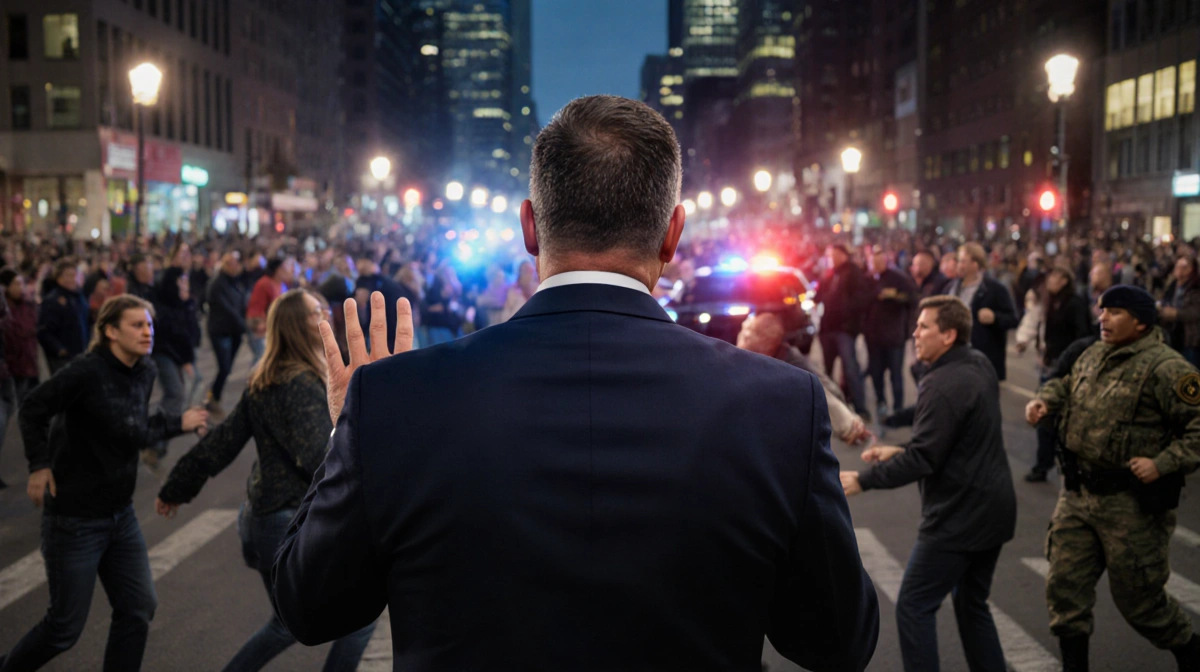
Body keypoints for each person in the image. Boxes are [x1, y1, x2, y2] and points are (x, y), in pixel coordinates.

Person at [272, 95, 879, 671]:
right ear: (674, 233)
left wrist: (348, 430)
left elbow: (311, 605)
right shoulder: (779, 405)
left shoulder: (395, 398)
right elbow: (838, 641)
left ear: (530, 227)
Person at [155, 289, 375, 672]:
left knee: (286, 625)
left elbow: (223, 442)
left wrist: (178, 486)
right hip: (286, 521)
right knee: (359, 617)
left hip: (260, 518)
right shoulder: (300, 385)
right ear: (294, 325)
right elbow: (320, 458)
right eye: (314, 311)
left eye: (323, 306)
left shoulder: (267, 378)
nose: (325, 312)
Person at [2, 295, 207, 672]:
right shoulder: (86, 372)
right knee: (64, 629)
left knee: (138, 607)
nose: (148, 332)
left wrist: (175, 424)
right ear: (111, 331)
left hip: (120, 515)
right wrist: (39, 465)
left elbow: (130, 430)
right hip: (75, 520)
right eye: (137, 325)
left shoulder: (144, 371)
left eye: (149, 324)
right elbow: (32, 408)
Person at [1026, 285, 1200, 671]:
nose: (1102, 318)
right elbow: (1065, 383)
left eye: (1114, 312)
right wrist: (1045, 400)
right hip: (1078, 494)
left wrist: (1164, 462)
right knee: (1065, 590)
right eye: (1102, 310)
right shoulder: (1093, 353)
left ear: (1140, 321)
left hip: (1131, 504)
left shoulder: (1168, 369)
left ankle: (1191, 651)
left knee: (1142, 604)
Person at [841, 296, 1016, 672]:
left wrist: (863, 479)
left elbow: (924, 459)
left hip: (959, 516)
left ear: (949, 334)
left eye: (924, 327)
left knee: (913, 605)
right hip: (994, 508)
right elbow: (951, 440)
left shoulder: (942, 382)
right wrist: (899, 449)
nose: (915, 333)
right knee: (972, 605)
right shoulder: (978, 363)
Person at [737, 312, 870, 445]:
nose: (744, 338)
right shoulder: (750, 352)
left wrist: (849, 424)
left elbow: (824, 389)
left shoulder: (788, 359)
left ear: (768, 343)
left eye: (748, 336)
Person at [1024, 268, 1092, 483]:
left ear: (1065, 280)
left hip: (1067, 368)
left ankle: (1069, 468)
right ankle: (1043, 465)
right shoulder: (1049, 301)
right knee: (1044, 414)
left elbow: (1082, 336)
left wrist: (1069, 361)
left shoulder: (1074, 303)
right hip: (1049, 364)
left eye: (1055, 277)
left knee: (1065, 420)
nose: (1050, 281)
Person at [143, 267, 201, 469]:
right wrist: (184, 359)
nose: (185, 286)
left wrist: (187, 303)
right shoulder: (164, 305)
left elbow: (193, 332)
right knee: (175, 394)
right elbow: (171, 333)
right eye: (181, 282)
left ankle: (157, 438)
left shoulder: (184, 303)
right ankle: (154, 439)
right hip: (165, 353)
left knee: (177, 395)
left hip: (179, 355)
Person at [946, 243, 1018, 380]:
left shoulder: (995, 289)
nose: (958, 265)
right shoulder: (951, 287)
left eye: (962, 261)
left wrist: (994, 318)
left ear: (975, 264)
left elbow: (1013, 319)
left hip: (982, 359)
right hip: (954, 356)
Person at [864, 245, 919, 419]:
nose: (877, 265)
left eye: (880, 261)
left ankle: (898, 409)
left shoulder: (898, 278)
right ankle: (881, 403)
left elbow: (912, 298)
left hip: (894, 337)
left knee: (896, 375)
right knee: (876, 373)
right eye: (874, 262)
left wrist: (894, 296)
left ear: (886, 261)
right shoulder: (868, 279)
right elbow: (860, 302)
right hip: (874, 337)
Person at [816, 243, 869, 417]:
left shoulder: (853, 273)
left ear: (844, 255)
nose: (833, 258)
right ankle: (831, 409)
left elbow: (860, 300)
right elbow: (819, 297)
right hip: (827, 329)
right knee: (827, 372)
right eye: (831, 255)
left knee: (850, 368)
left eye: (836, 254)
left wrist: (851, 320)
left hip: (844, 329)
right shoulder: (830, 273)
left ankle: (860, 408)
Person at [0, 270, 39, 489]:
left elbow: (30, 329)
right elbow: (17, 333)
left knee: (16, 410)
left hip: (24, 365)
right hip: (9, 367)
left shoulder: (27, 305)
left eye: (22, 283)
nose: (21, 288)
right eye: (16, 284)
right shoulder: (7, 308)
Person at [206, 250, 248, 417]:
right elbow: (226, 309)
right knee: (224, 367)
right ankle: (213, 398)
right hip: (220, 330)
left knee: (227, 367)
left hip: (234, 331)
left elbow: (240, 303)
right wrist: (242, 323)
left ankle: (213, 395)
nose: (235, 266)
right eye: (231, 263)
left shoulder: (235, 282)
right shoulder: (217, 283)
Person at [36, 261, 89, 375]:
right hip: (64, 358)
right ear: (59, 277)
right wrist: (60, 350)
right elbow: (44, 330)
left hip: (80, 353)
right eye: (68, 275)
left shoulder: (79, 296)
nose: (73, 279)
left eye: (74, 275)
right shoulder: (53, 300)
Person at [245, 257, 295, 367]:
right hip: (263, 329)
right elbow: (256, 309)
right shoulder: (265, 283)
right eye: (284, 268)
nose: (287, 270)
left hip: (274, 327)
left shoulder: (280, 284)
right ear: (277, 270)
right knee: (262, 360)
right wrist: (261, 326)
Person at [1159, 255, 1200, 368]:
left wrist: (1176, 314)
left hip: (1190, 338)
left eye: (1183, 266)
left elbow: (1195, 312)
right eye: (1177, 266)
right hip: (1173, 334)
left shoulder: (1195, 287)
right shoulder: (1173, 285)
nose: (1179, 269)